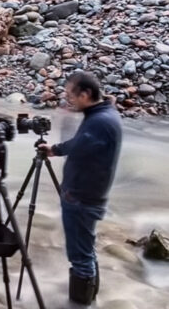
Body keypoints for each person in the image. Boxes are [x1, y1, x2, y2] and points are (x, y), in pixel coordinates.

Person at [39, 71, 122, 306]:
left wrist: (55, 146)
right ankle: (89, 297)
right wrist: (56, 149)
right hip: (89, 195)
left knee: (80, 257)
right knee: (86, 250)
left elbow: (79, 145)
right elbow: (80, 143)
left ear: (85, 94)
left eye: (70, 95)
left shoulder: (100, 121)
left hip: (82, 199)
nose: (68, 100)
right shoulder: (103, 113)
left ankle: (80, 302)